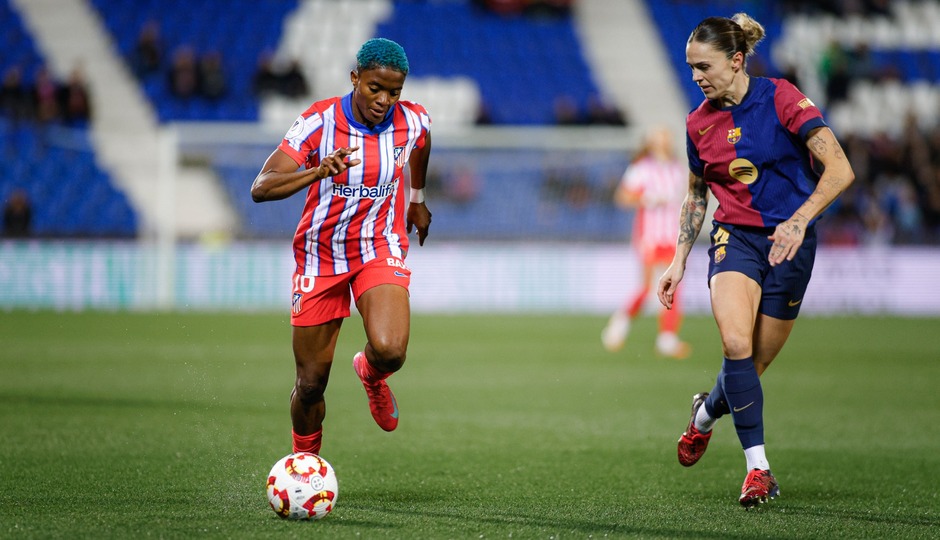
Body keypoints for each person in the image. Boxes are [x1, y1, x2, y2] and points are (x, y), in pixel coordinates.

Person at [656, 13, 855, 509]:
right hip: (735, 239)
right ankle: (758, 470)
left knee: (753, 364)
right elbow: (696, 195)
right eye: (690, 68)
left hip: (790, 243)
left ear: (737, 60)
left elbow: (840, 169)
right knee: (735, 342)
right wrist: (679, 258)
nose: (697, 76)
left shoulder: (781, 98)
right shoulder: (697, 123)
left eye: (704, 66)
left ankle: (704, 415)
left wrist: (799, 219)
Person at [250, 38, 432, 456]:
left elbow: (422, 143)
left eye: (394, 92)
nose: (384, 100)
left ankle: (370, 373)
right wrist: (316, 171)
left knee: (390, 351)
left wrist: (417, 199)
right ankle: (305, 463)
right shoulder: (319, 122)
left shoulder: (413, 120)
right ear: (355, 78)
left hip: (378, 246)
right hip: (321, 256)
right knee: (311, 384)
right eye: (375, 89)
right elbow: (261, 188)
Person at [601, 127, 690, 359]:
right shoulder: (641, 169)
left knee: (673, 286)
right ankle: (619, 322)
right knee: (648, 288)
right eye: (661, 137)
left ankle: (667, 339)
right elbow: (622, 197)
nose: (665, 140)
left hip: (672, 235)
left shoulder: (677, 169)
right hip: (649, 235)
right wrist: (647, 199)